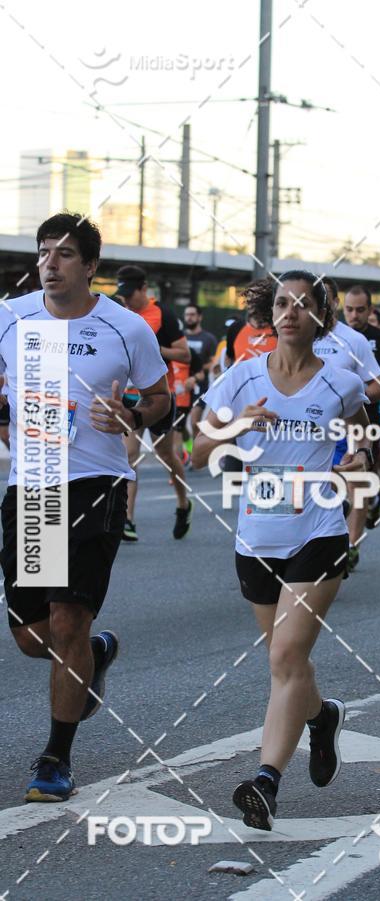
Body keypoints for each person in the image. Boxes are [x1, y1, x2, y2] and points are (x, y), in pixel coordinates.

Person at [192, 270, 371, 831]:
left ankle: (265, 781)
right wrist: (237, 426)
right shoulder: (240, 379)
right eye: (281, 303)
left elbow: (363, 439)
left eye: (302, 304)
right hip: (257, 535)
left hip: (319, 531)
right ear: (269, 314)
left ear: (322, 316)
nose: (290, 311)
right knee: (286, 662)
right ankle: (322, 718)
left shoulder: (341, 383)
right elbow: (198, 453)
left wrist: (357, 469)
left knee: (285, 660)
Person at [0, 213, 170, 802]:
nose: (51, 263)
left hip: (96, 483)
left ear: (91, 266)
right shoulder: (11, 318)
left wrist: (135, 417)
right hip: (33, 486)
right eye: (45, 252)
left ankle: (55, 757)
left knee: (70, 619)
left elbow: (160, 397)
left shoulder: (126, 329)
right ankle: (93, 656)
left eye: (65, 254)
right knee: (31, 635)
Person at [114, 266, 193, 541]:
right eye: (121, 293)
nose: (125, 300)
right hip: (130, 395)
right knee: (129, 455)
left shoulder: (163, 314)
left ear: (143, 288)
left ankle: (183, 503)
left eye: (129, 294)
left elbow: (185, 355)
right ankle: (127, 520)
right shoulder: (121, 315)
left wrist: (155, 349)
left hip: (159, 395)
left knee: (166, 455)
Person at [314, 277, 380, 572]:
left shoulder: (353, 340)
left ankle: (350, 545)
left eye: (325, 299)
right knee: (318, 492)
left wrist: (348, 401)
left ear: (334, 303)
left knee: (352, 487)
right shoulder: (301, 337)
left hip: (348, 428)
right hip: (310, 431)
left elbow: (379, 385)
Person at [342, 285, 380, 534]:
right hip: (337, 415)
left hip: (371, 414)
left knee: (362, 469)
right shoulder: (334, 337)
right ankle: (375, 494)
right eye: (349, 309)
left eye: (359, 310)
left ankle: (352, 546)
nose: (354, 315)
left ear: (370, 310)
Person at [182, 304, 217, 445]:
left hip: (200, 385)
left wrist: (198, 370)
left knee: (194, 421)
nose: (189, 318)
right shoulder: (180, 337)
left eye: (192, 314)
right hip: (180, 385)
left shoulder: (208, 338)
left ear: (199, 317)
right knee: (179, 424)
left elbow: (214, 363)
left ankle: (196, 454)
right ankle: (189, 448)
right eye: (187, 315)